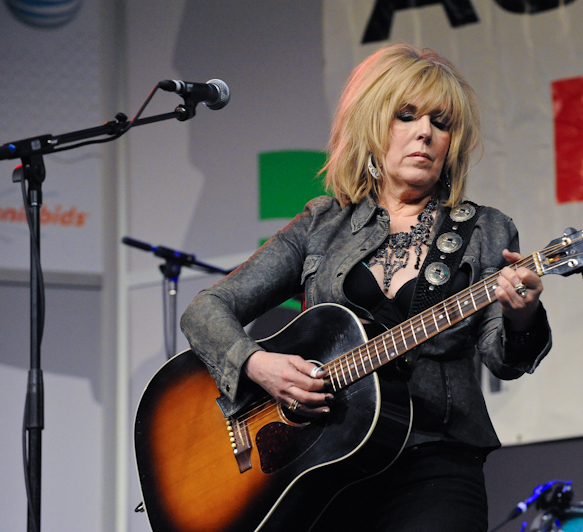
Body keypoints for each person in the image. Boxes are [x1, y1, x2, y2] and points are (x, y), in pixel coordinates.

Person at [180, 43, 552, 532]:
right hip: (325, 467)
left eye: (441, 123)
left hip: (435, 463)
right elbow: (206, 309)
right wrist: (258, 365)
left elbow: (505, 358)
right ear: (373, 126)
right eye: (407, 115)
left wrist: (522, 314)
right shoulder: (322, 224)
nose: (425, 132)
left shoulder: (485, 230)